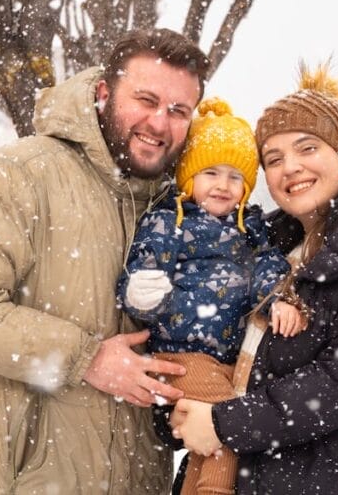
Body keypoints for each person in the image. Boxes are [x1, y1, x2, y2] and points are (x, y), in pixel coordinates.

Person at [0, 29, 211, 494]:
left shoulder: (174, 208)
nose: (160, 123)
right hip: (11, 482)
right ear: (102, 93)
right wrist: (85, 357)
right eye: (146, 99)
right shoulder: (21, 175)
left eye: (178, 110)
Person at [168, 62, 338, 494]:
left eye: (307, 148)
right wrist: (184, 406)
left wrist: (223, 424)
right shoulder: (268, 255)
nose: (290, 167)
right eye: (273, 159)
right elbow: (228, 359)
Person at [118, 98, 306, 495]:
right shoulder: (170, 220)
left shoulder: (251, 228)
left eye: (235, 177)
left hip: (226, 358)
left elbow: (267, 269)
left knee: (208, 440)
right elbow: (143, 268)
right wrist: (141, 292)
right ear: (189, 177)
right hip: (178, 353)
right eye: (211, 173)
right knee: (225, 421)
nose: (223, 185)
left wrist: (278, 300)